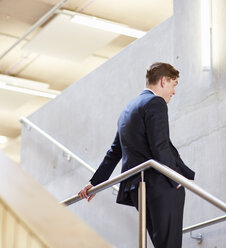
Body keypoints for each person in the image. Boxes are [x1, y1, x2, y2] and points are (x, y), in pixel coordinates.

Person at [78, 62, 195, 248]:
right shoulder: (155, 103)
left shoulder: (128, 109)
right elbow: (160, 146)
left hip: (137, 187)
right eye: (174, 85)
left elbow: (114, 151)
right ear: (164, 81)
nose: (173, 92)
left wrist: (96, 182)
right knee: (169, 244)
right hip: (160, 183)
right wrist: (175, 177)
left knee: (161, 243)